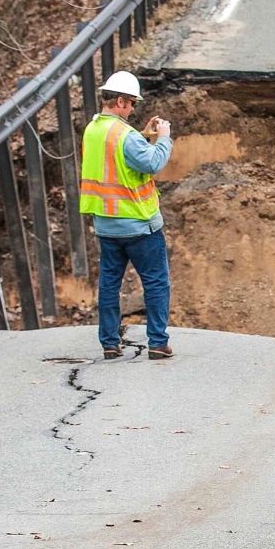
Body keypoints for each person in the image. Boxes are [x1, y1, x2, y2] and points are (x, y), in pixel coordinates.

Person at [80, 71, 174, 361]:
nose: (133, 108)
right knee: (156, 282)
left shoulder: (93, 130)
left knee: (109, 284)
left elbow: (118, 158)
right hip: (139, 224)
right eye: (132, 103)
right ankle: (157, 342)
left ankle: (110, 343)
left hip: (106, 225)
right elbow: (152, 163)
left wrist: (143, 136)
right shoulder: (125, 135)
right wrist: (163, 138)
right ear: (120, 101)